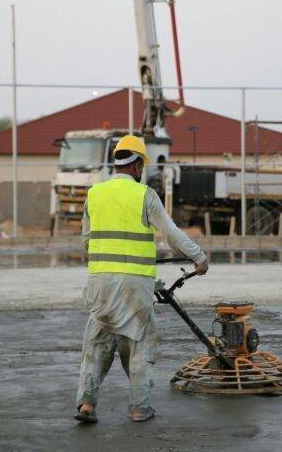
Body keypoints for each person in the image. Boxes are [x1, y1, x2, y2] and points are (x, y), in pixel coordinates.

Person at [75, 135, 208, 424]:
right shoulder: (144, 195)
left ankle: (86, 404)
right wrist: (199, 258)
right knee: (139, 345)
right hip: (134, 285)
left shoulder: (94, 194)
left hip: (99, 283)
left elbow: (86, 242)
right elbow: (171, 233)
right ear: (137, 165)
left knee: (96, 343)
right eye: (141, 165)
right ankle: (139, 408)